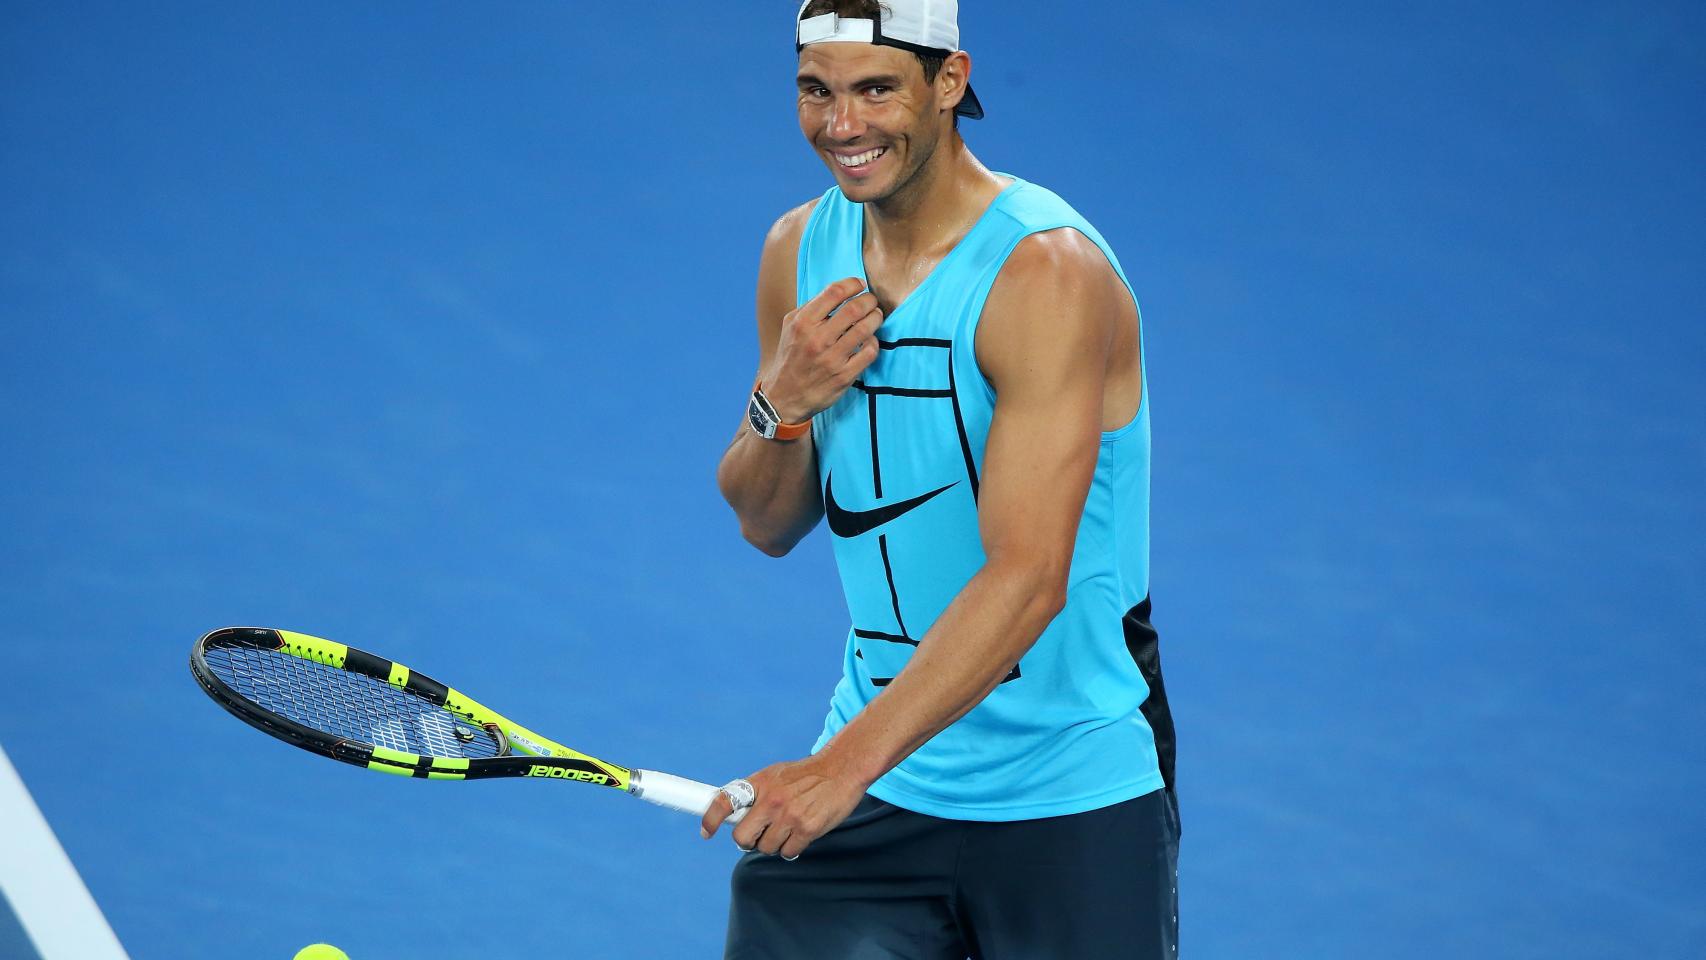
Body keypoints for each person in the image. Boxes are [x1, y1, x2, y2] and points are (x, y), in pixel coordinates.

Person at [704, 2, 1179, 957]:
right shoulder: (797, 250)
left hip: (1067, 794)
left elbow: (1028, 576)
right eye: (816, 91)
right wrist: (783, 402)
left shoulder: (1044, 275)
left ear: (950, 82)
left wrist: (836, 773)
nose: (842, 126)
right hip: (880, 786)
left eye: (876, 89)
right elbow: (765, 520)